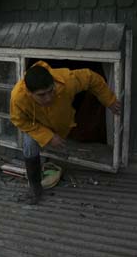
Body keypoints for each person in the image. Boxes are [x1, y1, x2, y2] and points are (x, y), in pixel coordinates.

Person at [10, 60, 121, 204]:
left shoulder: (66, 80)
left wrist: (109, 100)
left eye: (51, 91)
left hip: (63, 122)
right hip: (38, 125)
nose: (48, 97)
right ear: (29, 93)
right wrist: (48, 136)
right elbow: (19, 121)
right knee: (29, 143)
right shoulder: (18, 97)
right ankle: (34, 187)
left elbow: (91, 77)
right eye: (42, 95)